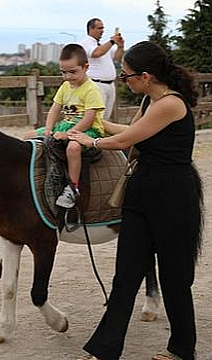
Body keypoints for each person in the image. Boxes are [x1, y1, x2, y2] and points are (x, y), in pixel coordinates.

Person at [68, 41, 203, 360]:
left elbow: (127, 140)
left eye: (125, 74)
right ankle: (105, 349)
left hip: (174, 197)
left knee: (175, 278)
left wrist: (93, 140)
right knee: (125, 276)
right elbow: (134, 130)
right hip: (141, 192)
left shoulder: (171, 104)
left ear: (145, 76)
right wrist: (91, 121)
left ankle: (182, 349)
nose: (121, 79)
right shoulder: (149, 99)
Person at [23, 43, 105, 208]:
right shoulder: (65, 86)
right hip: (65, 125)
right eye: (63, 72)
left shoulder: (91, 90)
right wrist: (48, 128)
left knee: (73, 148)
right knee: (28, 136)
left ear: (85, 67)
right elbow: (55, 108)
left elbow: (89, 119)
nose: (67, 76)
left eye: (72, 72)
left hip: (87, 130)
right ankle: (33, 175)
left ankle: (73, 188)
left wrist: (68, 135)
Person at [81, 18, 125, 120]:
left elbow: (117, 58)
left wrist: (120, 47)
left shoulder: (102, 45)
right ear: (90, 29)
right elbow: (96, 53)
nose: (102, 31)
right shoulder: (86, 43)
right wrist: (111, 41)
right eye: (99, 28)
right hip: (96, 84)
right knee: (97, 117)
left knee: (105, 118)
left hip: (109, 85)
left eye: (103, 28)